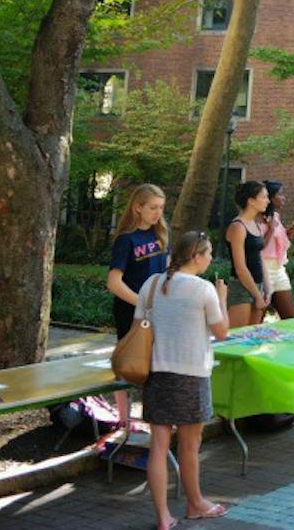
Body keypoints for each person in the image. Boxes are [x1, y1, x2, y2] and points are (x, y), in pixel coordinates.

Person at [140, 231, 229, 530]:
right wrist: (223, 299)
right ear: (195, 256)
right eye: (209, 253)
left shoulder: (151, 284)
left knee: (158, 445)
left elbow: (139, 326)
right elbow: (221, 332)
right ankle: (195, 503)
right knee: (190, 445)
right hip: (191, 374)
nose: (211, 258)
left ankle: (163, 516)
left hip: (156, 373)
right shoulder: (203, 290)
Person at [106, 182, 169, 428]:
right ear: (137, 208)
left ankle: (154, 416)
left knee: (157, 363)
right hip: (130, 312)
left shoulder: (160, 235)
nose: (158, 213)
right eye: (153, 207)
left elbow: (168, 271)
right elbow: (113, 282)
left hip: (159, 310)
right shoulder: (126, 240)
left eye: (161, 207)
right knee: (129, 363)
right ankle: (123, 420)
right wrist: (142, 303)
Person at [225, 180, 270, 328]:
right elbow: (240, 268)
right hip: (241, 288)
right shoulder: (238, 227)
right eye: (264, 197)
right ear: (251, 201)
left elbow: (260, 257)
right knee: (237, 338)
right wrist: (257, 295)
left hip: (258, 285)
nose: (267, 201)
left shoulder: (255, 224)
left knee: (252, 338)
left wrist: (267, 288)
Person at [260, 181, 294, 320]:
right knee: (256, 321)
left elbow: (276, 241)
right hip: (264, 268)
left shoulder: (276, 217)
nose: (284, 198)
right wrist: (270, 229)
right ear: (270, 198)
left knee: (290, 318)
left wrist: (287, 233)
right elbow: (259, 246)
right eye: (280, 194)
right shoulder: (259, 219)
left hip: (279, 269)